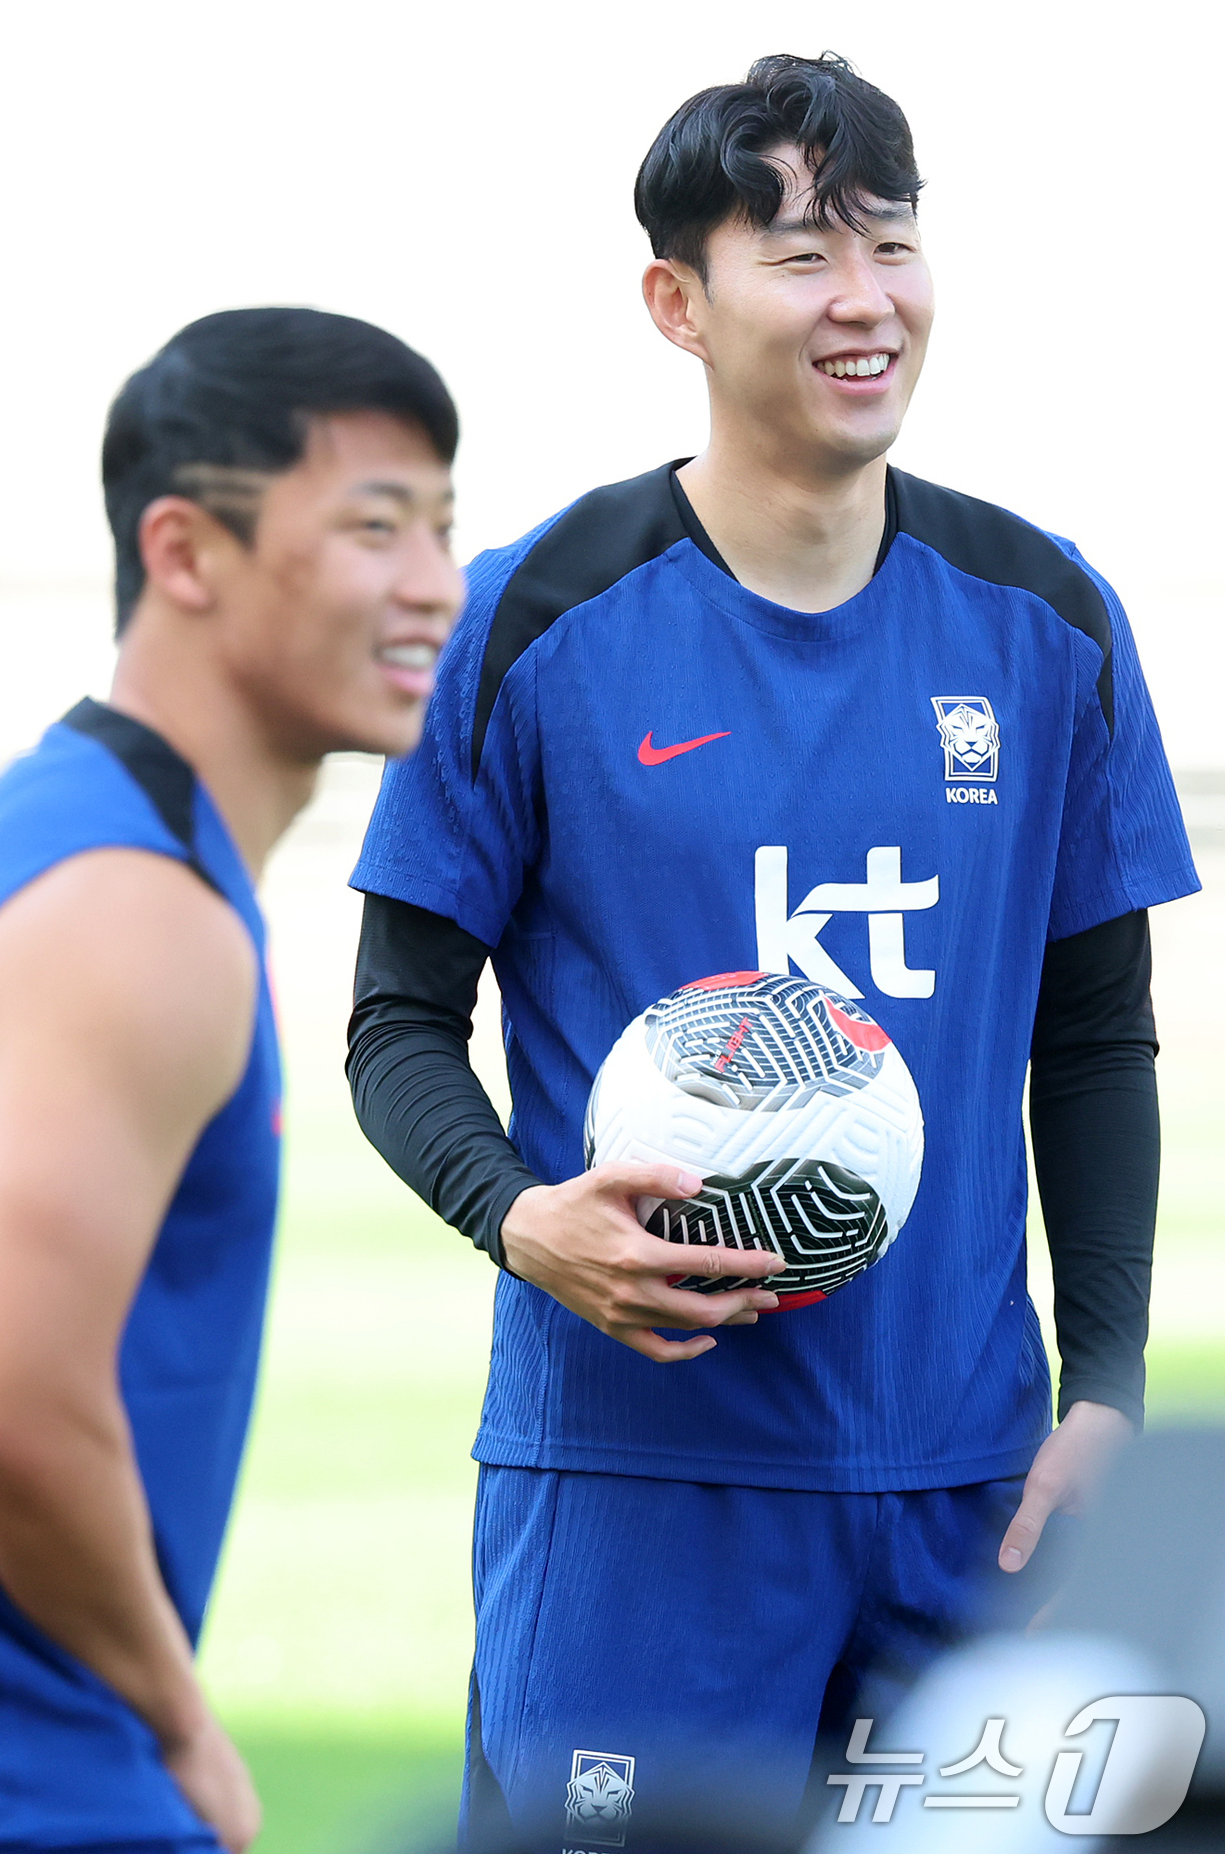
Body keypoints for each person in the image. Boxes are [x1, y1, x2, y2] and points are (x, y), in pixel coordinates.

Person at [346, 53, 1199, 1850]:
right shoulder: (539, 617)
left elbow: (1098, 1037)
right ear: (679, 300)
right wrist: (521, 1213)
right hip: (644, 1482)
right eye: (801, 254)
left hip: (976, 1495)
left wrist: (1105, 1387)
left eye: (890, 240)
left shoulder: (1046, 618)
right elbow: (396, 1023)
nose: (866, 297)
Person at [0, 307, 461, 1854]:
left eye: (446, 526)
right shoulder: (142, 916)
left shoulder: (39, 829)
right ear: (185, 552)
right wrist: (181, 1717)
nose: (437, 584)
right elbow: (7, 1405)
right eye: (374, 528)